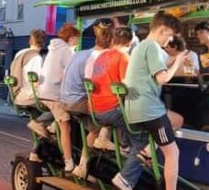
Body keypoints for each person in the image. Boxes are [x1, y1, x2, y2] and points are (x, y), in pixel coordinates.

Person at [112, 11, 199, 190]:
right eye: (169, 35)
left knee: (176, 120)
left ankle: (144, 155)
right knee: (172, 153)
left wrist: (177, 59)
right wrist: (177, 62)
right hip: (148, 109)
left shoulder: (143, 46)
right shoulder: (151, 47)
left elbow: (164, 63)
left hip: (137, 108)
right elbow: (163, 78)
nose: (169, 40)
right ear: (162, 30)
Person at [60, 22, 113, 178]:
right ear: (111, 43)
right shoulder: (99, 57)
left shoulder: (80, 53)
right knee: (110, 116)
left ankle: (83, 166)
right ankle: (85, 164)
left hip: (65, 99)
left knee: (95, 127)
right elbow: (96, 84)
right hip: (78, 101)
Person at [28, 23, 80, 171]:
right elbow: (71, 73)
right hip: (55, 94)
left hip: (44, 93)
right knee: (66, 127)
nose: (78, 41)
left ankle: (36, 149)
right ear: (71, 38)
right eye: (77, 37)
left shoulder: (53, 49)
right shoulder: (66, 50)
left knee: (58, 121)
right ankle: (69, 162)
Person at [89, 26, 134, 152]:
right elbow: (126, 85)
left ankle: (115, 142)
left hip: (94, 110)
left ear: (113, 40)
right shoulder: (123, 56)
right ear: (130, 42)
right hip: (111, 112)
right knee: (143, 117)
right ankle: (126, 146)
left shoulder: (101, 56)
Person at [8, 29, 46, 108]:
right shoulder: (37, 58)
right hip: (28, 96)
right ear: (43, 43)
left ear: (30, 41)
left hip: (15, 94)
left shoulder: (20, 53)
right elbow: (37, 83)